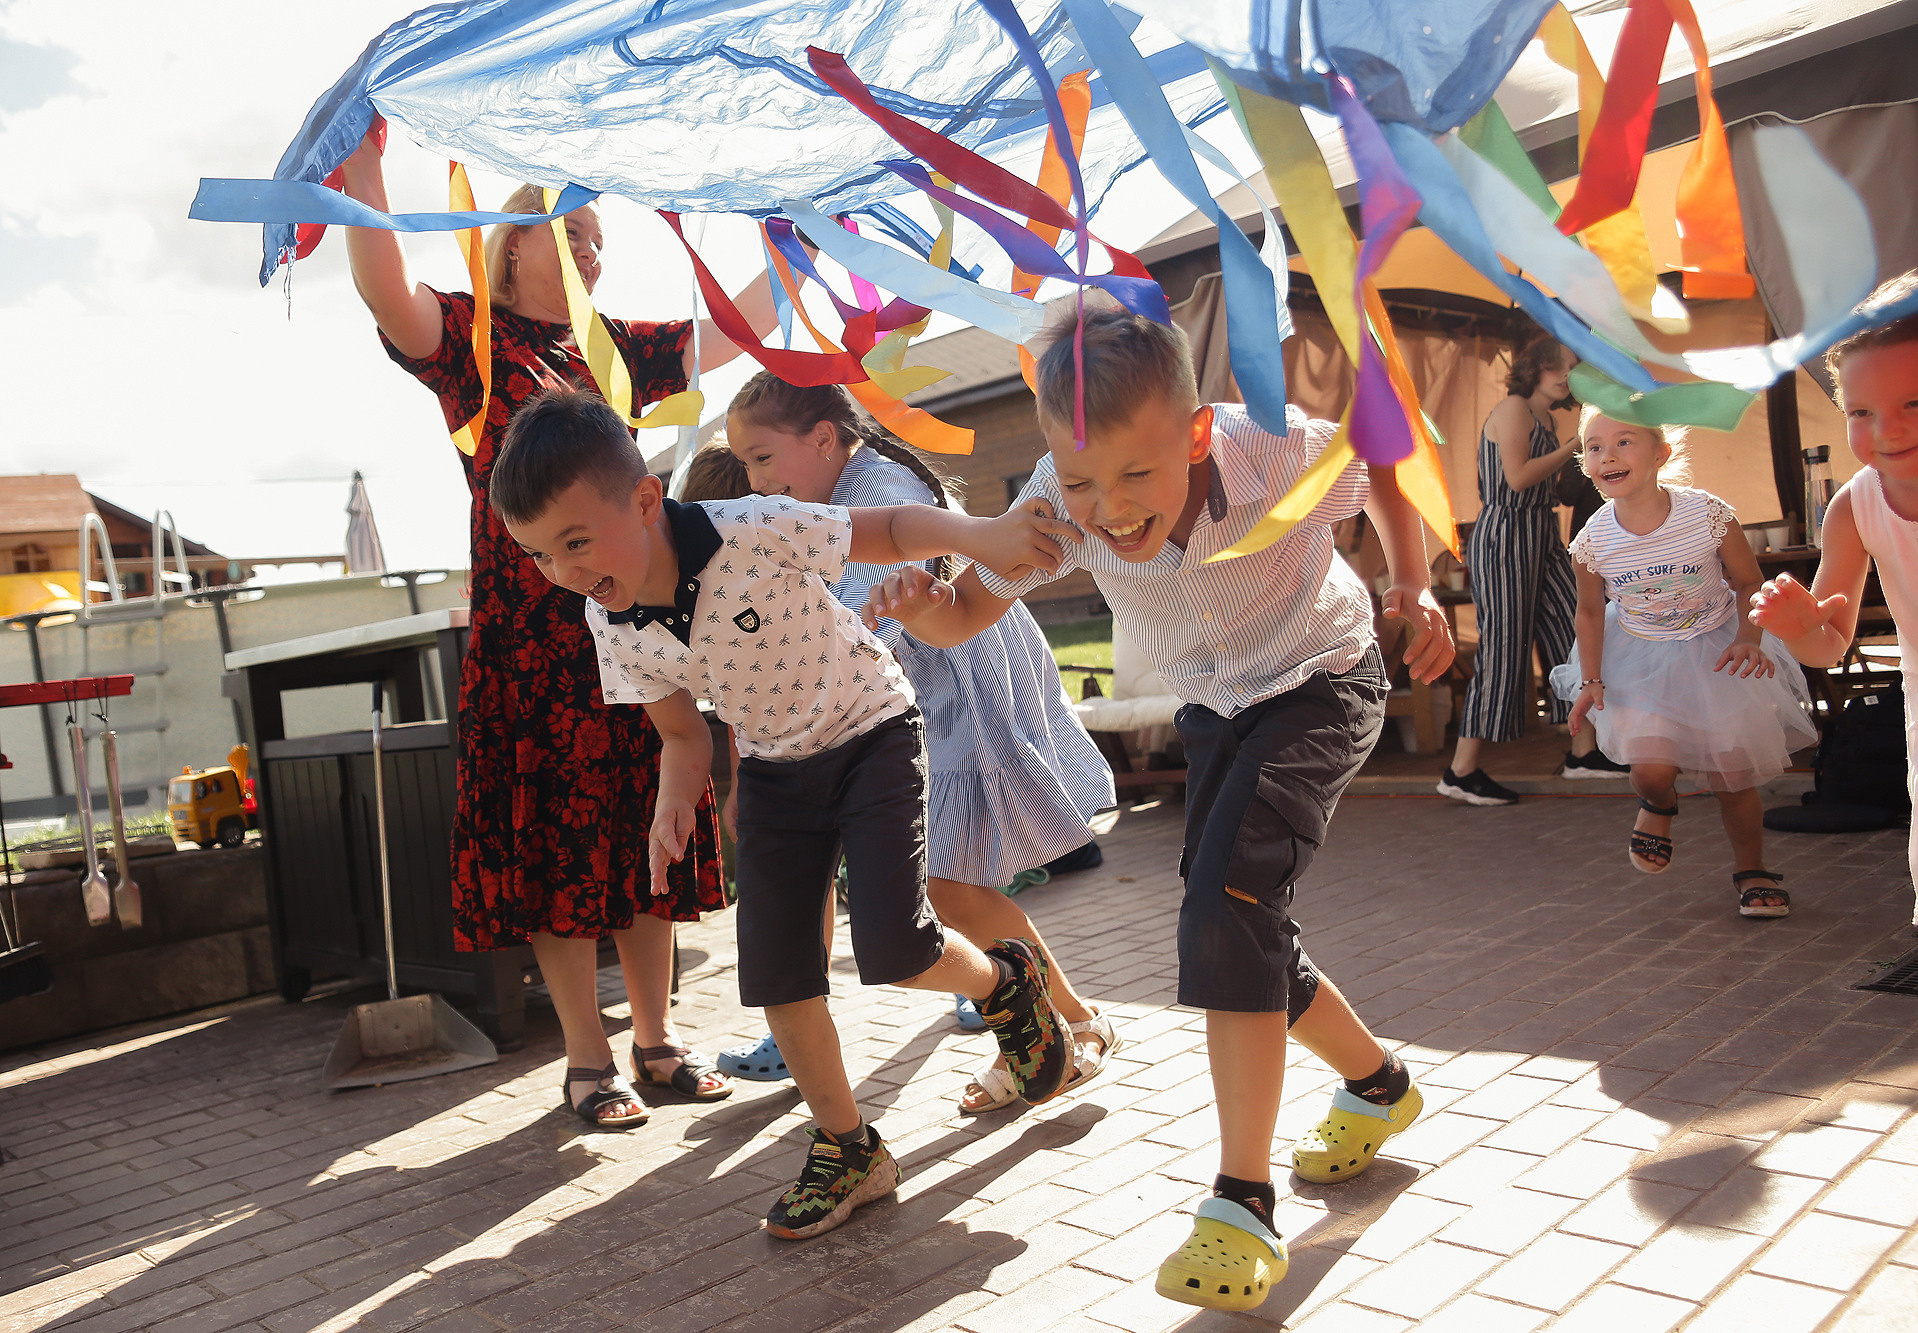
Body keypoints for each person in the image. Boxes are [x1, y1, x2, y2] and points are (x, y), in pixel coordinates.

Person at [865, 298, 1455, 1311]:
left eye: (1136, 474)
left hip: (1318, 673)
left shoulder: (1268, 446)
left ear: (1191, 432)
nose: (1108, 505)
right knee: (1240, 917)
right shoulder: (1059, 497)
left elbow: (1386, 454)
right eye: (1082, 476)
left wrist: (1413, 581)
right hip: (1215, 705)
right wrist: (926, 607)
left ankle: (1240, 1202)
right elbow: (970, 607)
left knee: (1226, 905)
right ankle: (1376, 1085)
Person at [488, 386, 1080, 1238]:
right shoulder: (607, 620)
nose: (567, 571)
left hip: (871, 730)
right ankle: (849, 1148)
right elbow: (682, 735)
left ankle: (1007, 984)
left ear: (646, 500)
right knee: (777, 975)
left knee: (898, 947)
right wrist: (671, 804)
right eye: (541, 556)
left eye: (576, 541)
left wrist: (979, 536)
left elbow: (885, 532)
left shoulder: (745, 527)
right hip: (771, 773)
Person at [337, 133, 781, 1124]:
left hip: (628, 634)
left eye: (595, 236)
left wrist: (797, 235)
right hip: (524, 659)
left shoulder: (612, 351)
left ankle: (657, 1043)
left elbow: (729, 331)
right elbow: (385, 293)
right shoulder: (469, 339)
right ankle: (589, 1060)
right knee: (557, 860)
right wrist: (364, 182)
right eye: (568, 230)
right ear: (506, 242)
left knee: (645, 840)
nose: (589, 249)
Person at [712, 377, 1119, 1113]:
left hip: (955, 686)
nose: (757, 481)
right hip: (922, 692)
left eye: (765, 458)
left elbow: (860, 615)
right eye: (746, 465)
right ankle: (1048, 1027)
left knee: (948, 883)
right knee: (950, 882)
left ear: (824, 439)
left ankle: (1067, 1023)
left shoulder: (875, 487)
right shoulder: (837, 492)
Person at [1752, 274, 1918, 1132]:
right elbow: (1831, 639)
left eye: (1917, 402)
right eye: (1860, 412)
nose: (1884, 433)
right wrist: (1795, 624)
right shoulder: (1857, 507)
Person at [1550, 409, 1816, 917]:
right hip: (1639, 655)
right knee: (1650, 769)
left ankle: (1751, 869)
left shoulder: (1707, 515)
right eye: (1594, 446)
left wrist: (1749, 639)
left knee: (1732, 774)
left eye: (1623, 441)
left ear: (1660, 454)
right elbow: (1588, 611)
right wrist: (1591, 678)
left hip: (1719, 650)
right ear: (1586, 464)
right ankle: (1659, 802)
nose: (1607, 454)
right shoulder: (1592, 541)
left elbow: (1747, 584)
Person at [1441, 334, 1624, 806]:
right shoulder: (1514, 409)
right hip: (1505, 532)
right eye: (1555, 367)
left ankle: (1582, 752)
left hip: (1541, 532)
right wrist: (1574, 447)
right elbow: (1518, 478)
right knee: (1504, 646)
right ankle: (1461, 770)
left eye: (1570, 367)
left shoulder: (1542, 415)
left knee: (1573, 630)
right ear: (1534, 368)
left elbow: (1551, 487)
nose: (1565, 376)